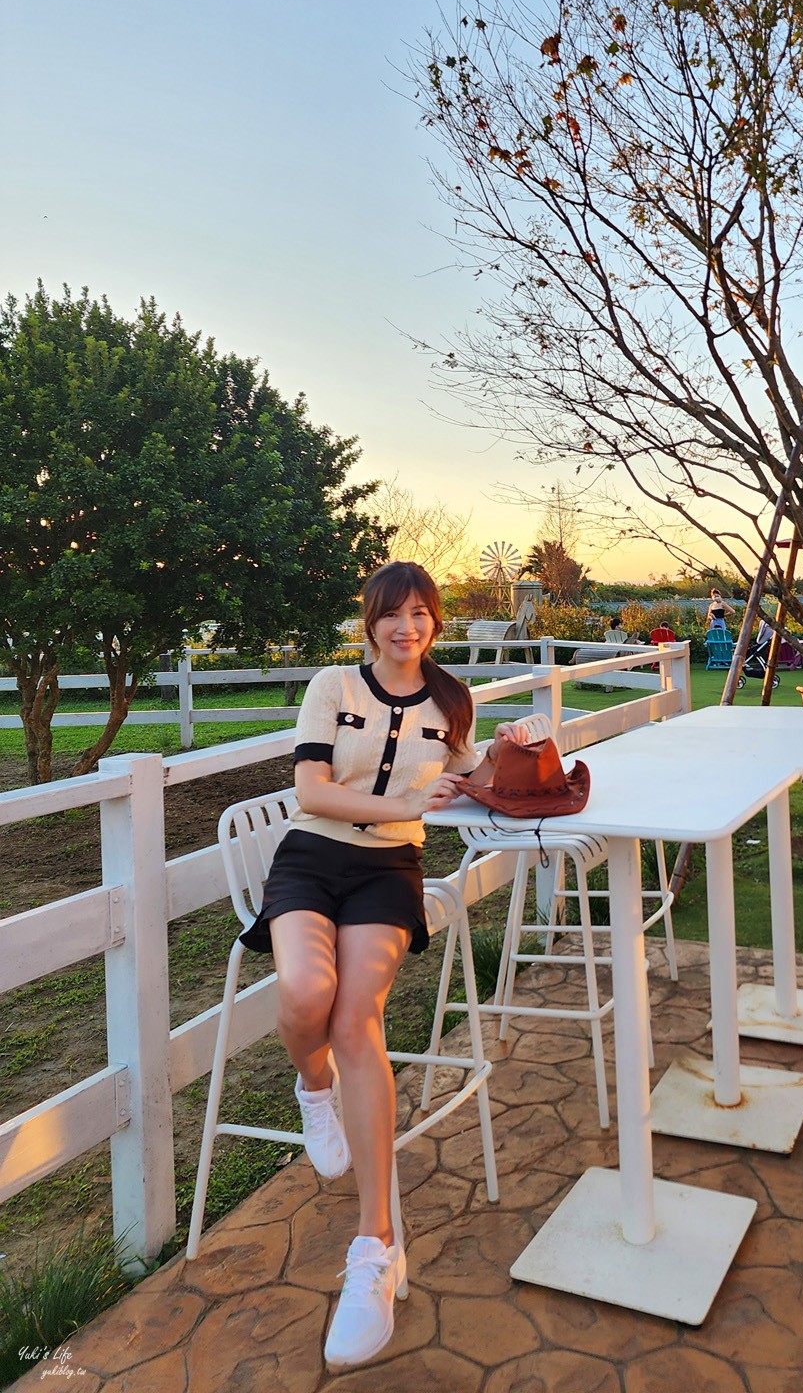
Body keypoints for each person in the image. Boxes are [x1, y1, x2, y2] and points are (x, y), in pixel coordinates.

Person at [238, 561, 520, 1369]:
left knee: (356, 1016)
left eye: (422, 613)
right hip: (310, 860)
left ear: (436, 622)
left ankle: (376, 1247)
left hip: (388, 873)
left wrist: (504, 755)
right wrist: (400, 804)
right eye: (392, 614)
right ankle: (312, 1088)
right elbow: (312, 791)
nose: (407, 627)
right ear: (370, 621)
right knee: (305, 992)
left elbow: (477, 778)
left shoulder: (450, 701)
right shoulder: (333, 684)